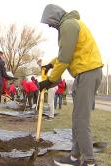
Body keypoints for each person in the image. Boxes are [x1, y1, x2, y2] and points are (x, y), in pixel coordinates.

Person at [39, 4, 103, 166]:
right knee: (77, 119)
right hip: (84, 74)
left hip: (88, 73)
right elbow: (64, 54)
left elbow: (65, 58)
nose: (49, 25)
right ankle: (74, 157)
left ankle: (90, 162)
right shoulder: (70, 24)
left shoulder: (68, 25)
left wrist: (50, 80)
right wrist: (50, 65)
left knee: (81, 120)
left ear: (54, 17)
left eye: (49, 22)